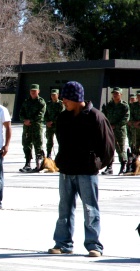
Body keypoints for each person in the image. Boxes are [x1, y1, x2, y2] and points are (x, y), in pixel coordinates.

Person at [48, 81, 114, 257]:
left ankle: (94, 245)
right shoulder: (63, 118)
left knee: (90, 209)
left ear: (76, 99)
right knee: (64, 210)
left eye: (66, 98)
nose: (63, 101)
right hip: (66, 172)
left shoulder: (95, 117)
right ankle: (62, 244)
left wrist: (96, 164)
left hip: (87, 172)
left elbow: (108, 147)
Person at [101, 87, 129, 175]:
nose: (115, 95)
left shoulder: (124, 106)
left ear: (121, 94)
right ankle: (109, 167)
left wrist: (115, 126)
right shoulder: (109, 105)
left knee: (120, 148)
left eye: (117, 93)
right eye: (114, 93)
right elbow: (104, 116)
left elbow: (126, 118)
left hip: (119, 130)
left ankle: (123, 165)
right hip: (109, 130)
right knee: (109, 148)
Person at [18, 84, 46, 172]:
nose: (33, 92)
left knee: (38, 145)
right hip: (27, 128)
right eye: (31, 91)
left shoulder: (41, 102)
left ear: (38, 91)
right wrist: (24, 120)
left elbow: (40, 115)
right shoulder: (26, 102)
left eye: (35, 91)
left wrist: (30, 120)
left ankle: (39, 164)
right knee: (26, 145)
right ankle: (27, 163)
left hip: (36, 127)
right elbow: (21, 113)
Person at [44, 89, 64, 159]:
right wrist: (46, 121)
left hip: (58, 125)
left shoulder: (61, 104)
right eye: (52, 95)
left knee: (60, 140)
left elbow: (60, 114)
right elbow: (45, 114)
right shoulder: (48, 104)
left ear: (58, 95)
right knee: (49, 140)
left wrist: (52, 121)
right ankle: (48, 154)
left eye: (54, 95)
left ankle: (61, 154)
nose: (53, 96)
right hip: (49, 126)